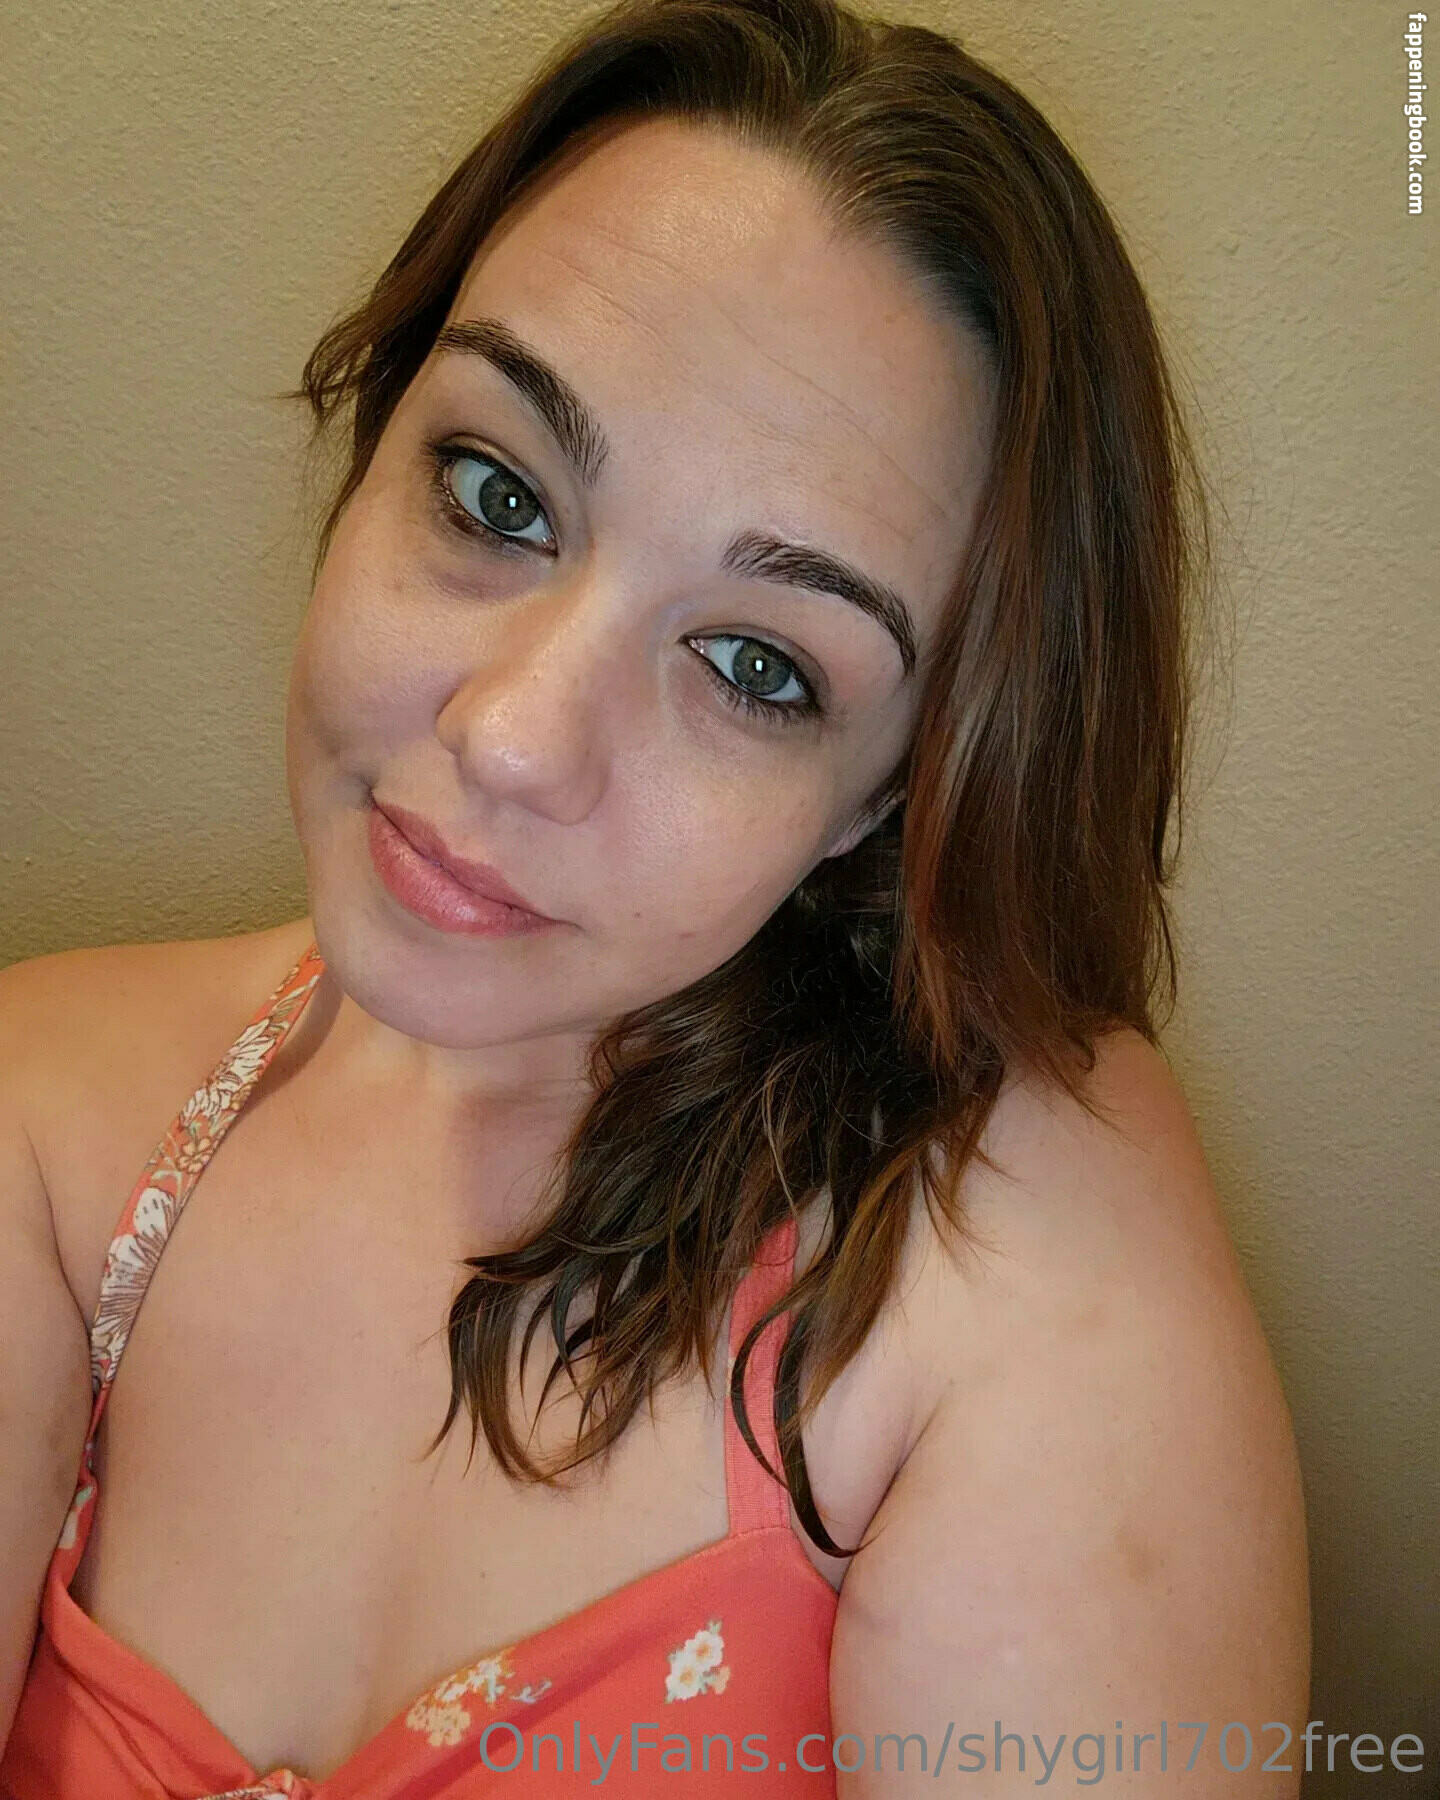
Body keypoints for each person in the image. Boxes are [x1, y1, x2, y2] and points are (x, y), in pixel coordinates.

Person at [0, 0, 1310, 1792]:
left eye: (759, 667)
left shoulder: (996, 1264)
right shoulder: (46, 1127)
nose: (513, 736)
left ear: (891, 794)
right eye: (495, 493)